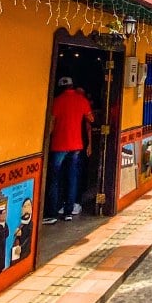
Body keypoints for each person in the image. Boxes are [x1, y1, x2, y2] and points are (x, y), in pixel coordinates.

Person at [45, 76, 93, 224]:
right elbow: (91, 119)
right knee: (73, 179)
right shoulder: (81, 100)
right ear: (72, 86)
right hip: (76, 145)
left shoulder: (56, 101)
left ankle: (52, 213)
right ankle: (68, 212)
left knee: (55, 179)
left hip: (59, 145)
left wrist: (46, 140)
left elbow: (51, 123)